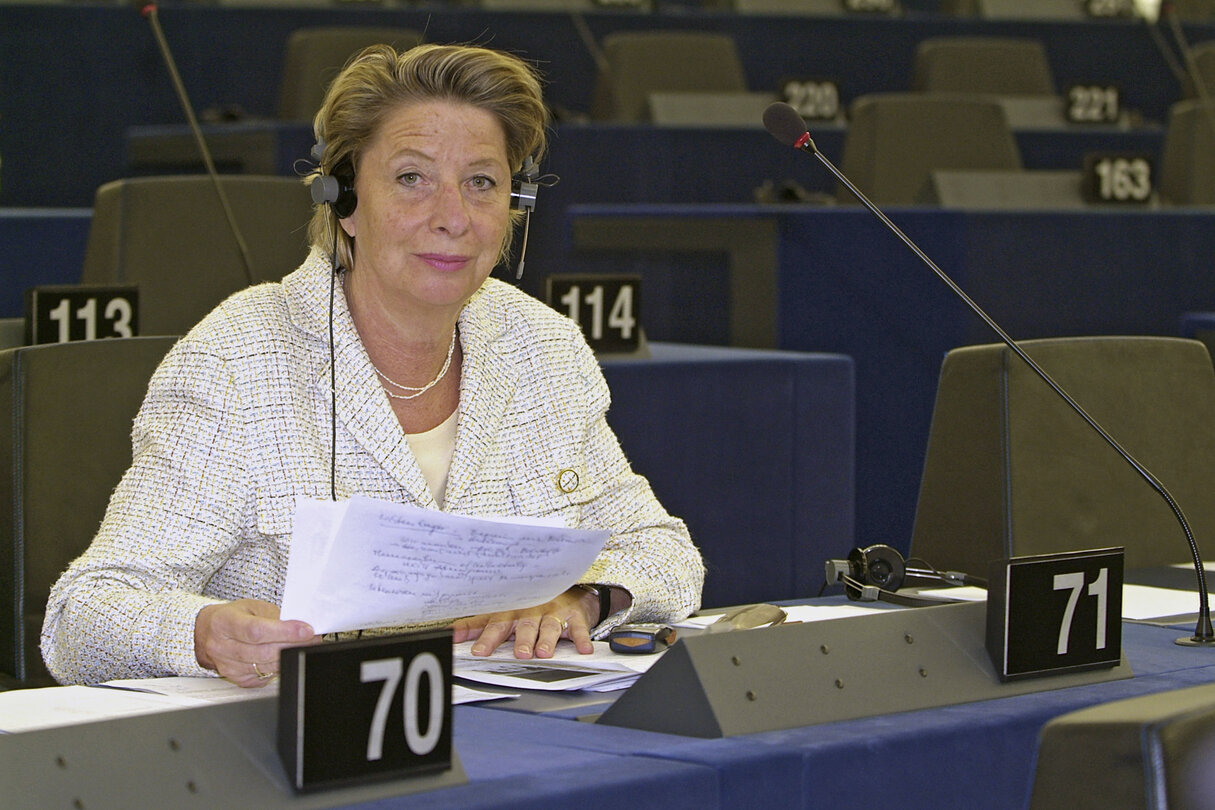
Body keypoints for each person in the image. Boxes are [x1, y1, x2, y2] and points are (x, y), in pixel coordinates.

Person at [41, 43, 704, 688]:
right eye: (412, 179)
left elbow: (666, 553)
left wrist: (583, 598)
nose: (452, 217)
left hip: (513, 739)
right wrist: (205, 631)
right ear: (345, 202)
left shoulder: (541, 347)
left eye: (481, 183)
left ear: (515, 208)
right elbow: (82, 616)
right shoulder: (238, 358)